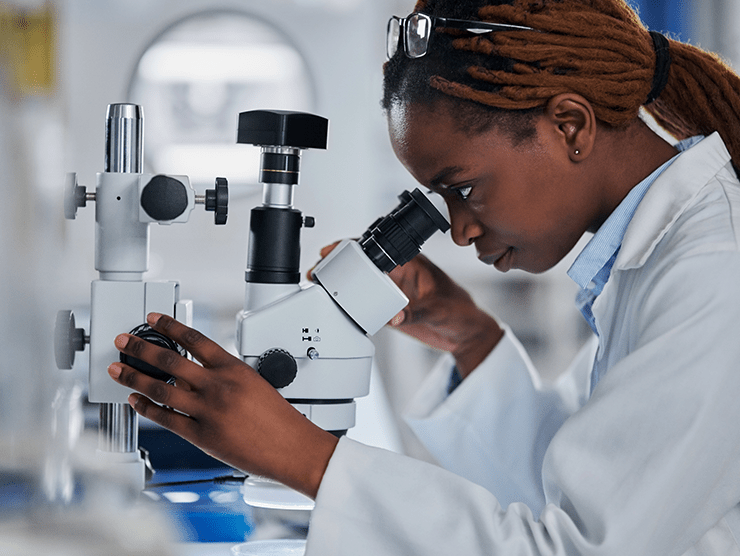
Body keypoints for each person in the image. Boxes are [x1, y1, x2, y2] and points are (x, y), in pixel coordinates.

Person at [106, 0, 740, 554]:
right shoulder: (657, 253)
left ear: (569, 125)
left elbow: (570, 548)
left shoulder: (713, 271)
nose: (459, 231)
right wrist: (471, 339)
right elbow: (595, 487)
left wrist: (304, 458)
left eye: (462, 188)